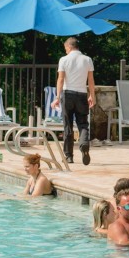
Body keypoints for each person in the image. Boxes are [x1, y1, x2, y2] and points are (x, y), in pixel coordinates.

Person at [52, 37, 96, 165]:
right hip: (82, 94)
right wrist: (92, 95)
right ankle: (84, 144)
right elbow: (91, 80)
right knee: (83, 124)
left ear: (69, 47)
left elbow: (60, 79)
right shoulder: (87, 59)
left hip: (67, 95)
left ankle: (69, 156)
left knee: (68, 126)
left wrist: (57, 97)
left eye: (65, 48)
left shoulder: (64, 60)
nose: (65, 51)